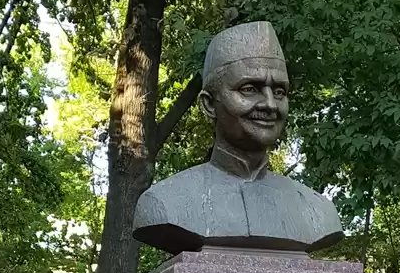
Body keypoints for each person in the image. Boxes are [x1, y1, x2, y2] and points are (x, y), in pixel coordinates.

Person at [132, 20, 342, 255]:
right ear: (209, 104)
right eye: (249, 89)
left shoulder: (318, 212)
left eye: (280, 92)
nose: (270, 105)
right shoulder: (164, 203)